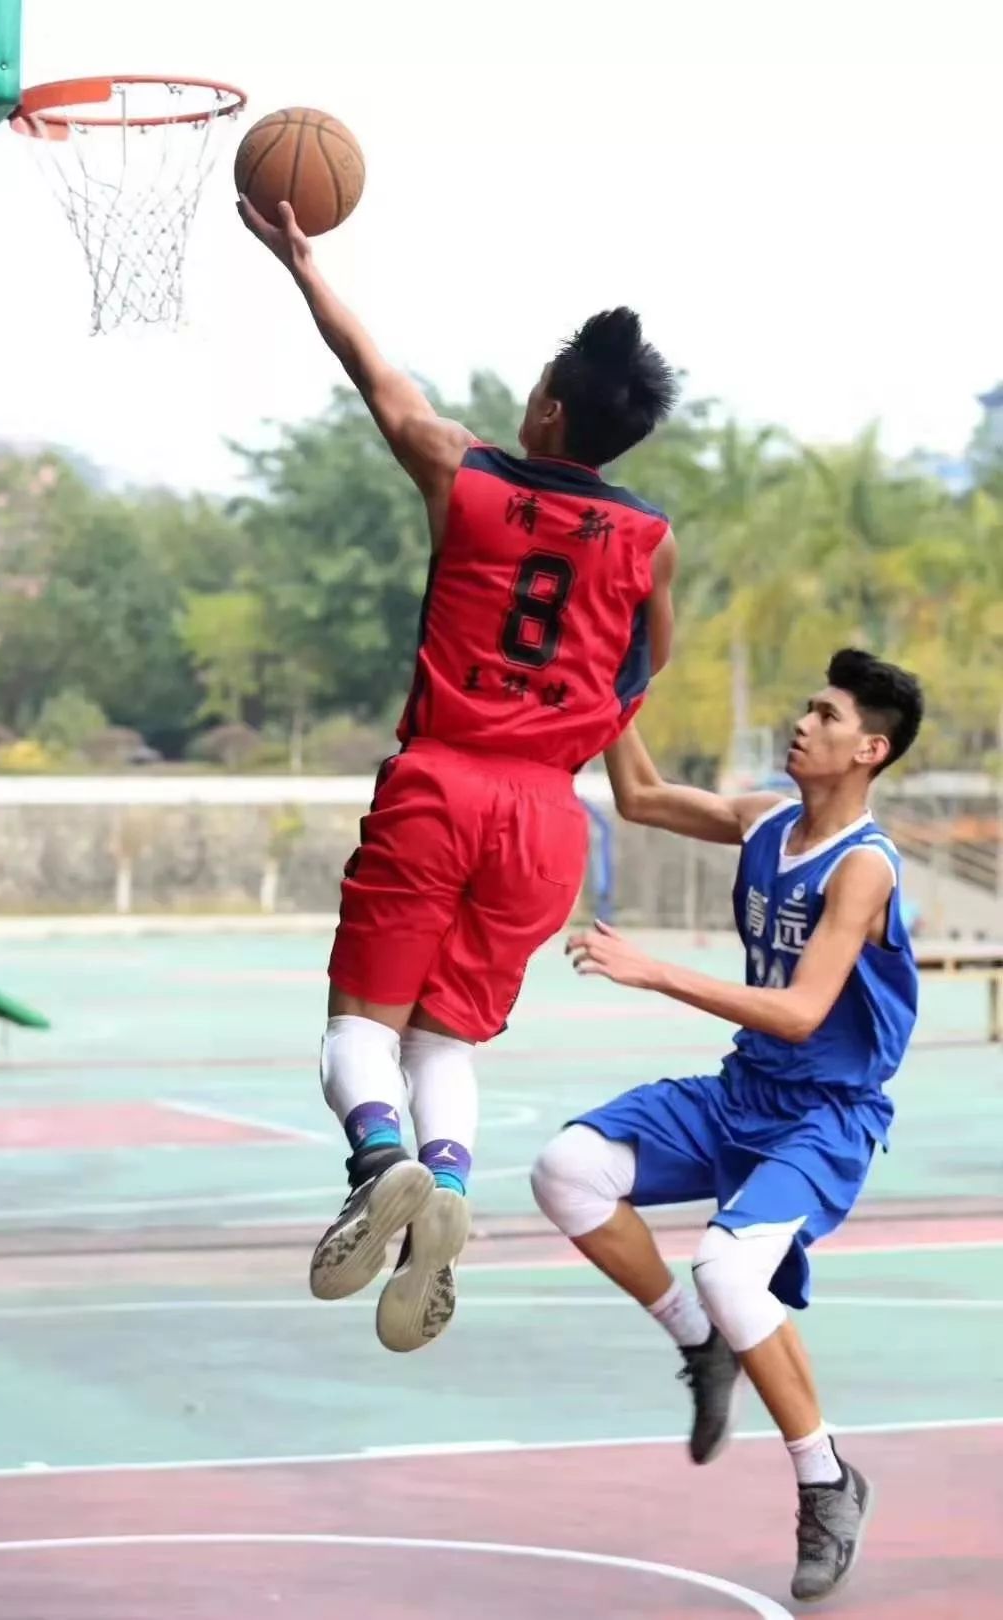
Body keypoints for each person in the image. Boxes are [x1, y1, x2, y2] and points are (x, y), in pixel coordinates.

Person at [238, 195, 679, 1352]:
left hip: (442, 781)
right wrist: (599, 709)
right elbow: (654, 653)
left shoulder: (464, 474)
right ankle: (444, 1181)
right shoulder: (649, 539)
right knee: (447, 1043)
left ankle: (380, 1161)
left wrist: (301, 263)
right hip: (547, 816)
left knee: (359, 1034)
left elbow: (377, 376)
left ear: (546, 403)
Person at [531, 648, 923, 1604]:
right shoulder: (764, 819)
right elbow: (642, 795)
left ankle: (827, 1481)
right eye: (806, 705)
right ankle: (701, 1339)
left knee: (728, 1264)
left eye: (826, 716)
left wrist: (655, 970)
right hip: (743, 1091)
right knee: (565, 1169)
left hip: (822, 1117)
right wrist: (608, 679)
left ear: (868, 749)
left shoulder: (862, 869)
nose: (804, 723)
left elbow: (799, 1012)